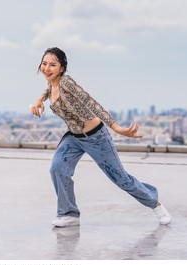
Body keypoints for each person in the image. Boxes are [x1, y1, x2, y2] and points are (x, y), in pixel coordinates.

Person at [30, 47, 172, 227]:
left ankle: (156, 204)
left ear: (62, 68)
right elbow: (48, 90)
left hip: (96, 137)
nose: (47, 68)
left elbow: (92, 103)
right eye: (44, 64)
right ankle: (69, 214)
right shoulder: (52, 83)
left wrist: (117, 128)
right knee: (57, 168)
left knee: (121, 179)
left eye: (52, 65)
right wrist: (39, 100)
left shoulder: (66, 83)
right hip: (74, 137)